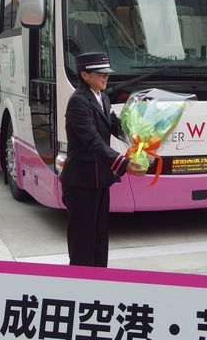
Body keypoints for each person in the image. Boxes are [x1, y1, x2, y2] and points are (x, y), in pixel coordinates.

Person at [59, 52, 145, 267]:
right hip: (80, 182)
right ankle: (81, 287)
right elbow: (92, 140)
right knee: (82, 241)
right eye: (101, 73)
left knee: (99, 238)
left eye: (107, 73)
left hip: (99, 179)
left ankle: (99, 282)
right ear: (85, 75)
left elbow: (116, 126)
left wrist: (143, 139)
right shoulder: (78, 102)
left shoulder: (102, 97)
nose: (106, 77)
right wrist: (123, 164)